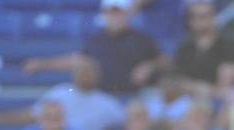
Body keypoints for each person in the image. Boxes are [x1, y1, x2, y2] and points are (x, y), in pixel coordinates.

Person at [23, 0, 167, 96]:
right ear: (104, 14)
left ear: (127, 14)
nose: (115, 17)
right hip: (102, 97)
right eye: (110, 13)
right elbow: (79, 60)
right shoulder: (95, 41)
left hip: (135, 97)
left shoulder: (141, 39)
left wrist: (148, 66)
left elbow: (164, 60)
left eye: (118, 12)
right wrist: (42, 64)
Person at [172, 0, 234, 95]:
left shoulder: (230, 45)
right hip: (190, 100)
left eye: (207, 16)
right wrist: (196, 88)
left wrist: (205, 89)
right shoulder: (184, 48)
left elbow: (226, 83)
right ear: (190, 21)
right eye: (197, 17)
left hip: (223, 100)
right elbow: (177, 80)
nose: (203, 21)